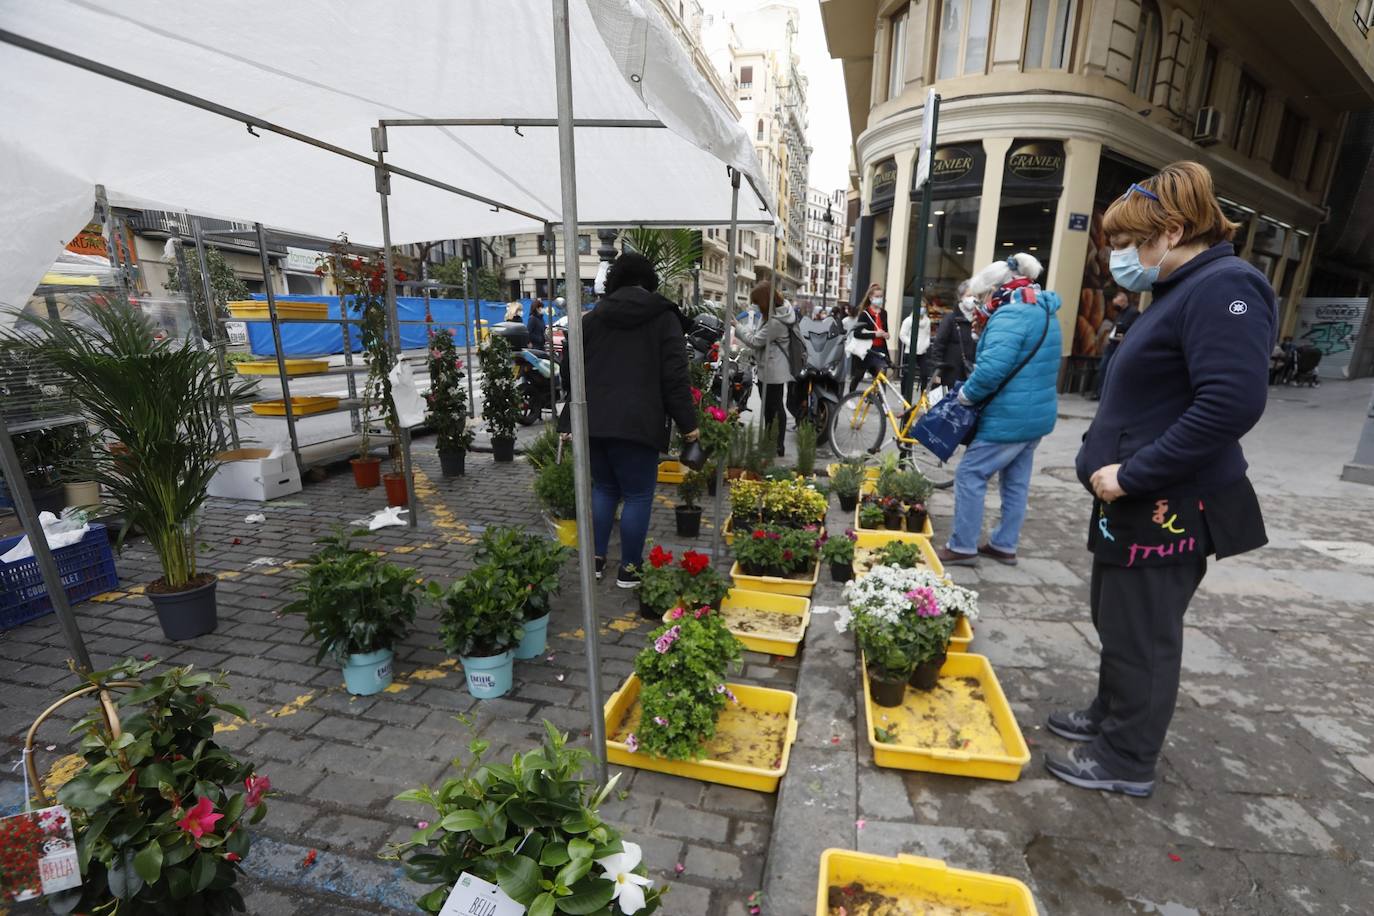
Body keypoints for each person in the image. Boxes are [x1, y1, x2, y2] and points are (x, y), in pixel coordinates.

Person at [1047, 161, 1274, 799]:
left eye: (1128, 244)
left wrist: (1136, 472)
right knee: (1116, 620)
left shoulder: (1225, 288)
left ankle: (1126, 756)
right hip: (1134, 500)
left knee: (1144, 633)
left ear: (1171, 232)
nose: (1119, 257)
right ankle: (1108, 715)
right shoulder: (1179, 291)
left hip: (1166, 504)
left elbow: (1230, 404)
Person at [558, 252, 699, 589]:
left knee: (603, 489)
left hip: (594, 422)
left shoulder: (589, 320)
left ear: (613, 281)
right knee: (637, 495)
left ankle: (595, 560)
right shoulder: (664, 318)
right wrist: (688, 425)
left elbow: (567, 372)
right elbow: (675, 378)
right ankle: (629, 571)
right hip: (639, 424)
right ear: (648, 280)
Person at [936, 252, 1061, 569]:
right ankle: (1004, 544)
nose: (981, 302)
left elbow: (990, 371)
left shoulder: (1011, 316)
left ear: (997, 289)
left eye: (983, 295)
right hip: (1036, 416)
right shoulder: (1044, 311)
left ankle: (962, 546)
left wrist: (965, 395)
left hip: (1009, 416)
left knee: (969, 474)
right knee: (1016, 482)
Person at [734, 282, 797, 457]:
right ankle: (770, 441)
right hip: (769, 368)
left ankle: (777, 445)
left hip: (773, 371)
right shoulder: (775, 313)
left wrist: (737, 326)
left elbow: (755, 341)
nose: (754, 306)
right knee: (770, 407)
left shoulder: (776, 321)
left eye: (756, 302)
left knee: (774, 407)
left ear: (764, 301)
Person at [1088, 291, 1138, 400]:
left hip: (1119, 346)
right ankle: (1099, 393)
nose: (1115, 306)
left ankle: (1105, 394)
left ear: (1123, 301)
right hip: (1111, 344)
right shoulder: (1120, 313)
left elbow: (1133, 330)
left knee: (1111, 369)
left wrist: (1123, 338)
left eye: (1117, 304)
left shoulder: (1133, 313)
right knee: (1103, 368)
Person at [929, 283, 978, 387]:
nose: (972, 299)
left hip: (971, 373)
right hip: (951, 374)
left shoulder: (977, 320)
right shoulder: (951, 319)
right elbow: (939, 344)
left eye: (974, 296)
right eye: (968, 295)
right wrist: (937, 372)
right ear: (960, 297)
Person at [847, 283, 891, 391]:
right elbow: (857, 333)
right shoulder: (864, 314)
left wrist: (886, 334)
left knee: (881, 376)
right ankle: (850, 396)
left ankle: (881, 402)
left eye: (881, 296)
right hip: (867, 349)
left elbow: (885, 330)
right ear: (871, 298)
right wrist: (875, 334)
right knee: (859, 375)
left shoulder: (884, 313)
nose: (879, 299)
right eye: (877, 296)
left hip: (880, 349)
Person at [898, 298, 933, 390]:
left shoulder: (928, 321)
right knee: (907, 375)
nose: (923, 309)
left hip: (923, 352)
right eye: (921, 306)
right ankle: (904, 393)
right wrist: (912, 344)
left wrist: (926, 344)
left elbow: (927, 335)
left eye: (924, 307)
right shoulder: (908, 321)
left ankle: (923, 395)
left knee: (925, 374)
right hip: (910, 351)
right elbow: (902, 335)